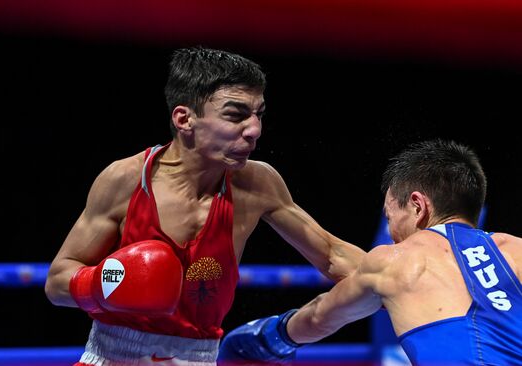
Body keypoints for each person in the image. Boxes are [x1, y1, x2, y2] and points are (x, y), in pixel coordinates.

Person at [44, 46, 366, 366]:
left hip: (198, 357)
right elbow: (58, 281)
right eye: (236, 115)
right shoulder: (126, 180)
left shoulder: (256, 184)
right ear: (185, 119)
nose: (255, 130)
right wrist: (105, 284)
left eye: (259, 114)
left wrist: (403, 274)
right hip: (109, 356)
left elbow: (332, 255)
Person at [219, 139, 522, 365]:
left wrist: (267, 338)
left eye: (391, 218)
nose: (392, 234)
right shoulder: (517, 249)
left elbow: (318, 318)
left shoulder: (394, 261)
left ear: (418, 206)